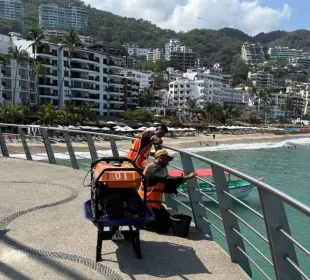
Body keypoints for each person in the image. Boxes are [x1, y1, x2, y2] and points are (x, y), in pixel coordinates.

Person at [138, 149, 195, 233]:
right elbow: (166, 178)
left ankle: (148, 220)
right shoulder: (153, 169)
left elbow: (167, 189)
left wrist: (181, 181)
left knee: (168, 221)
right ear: (161, 157)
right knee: (163, 228)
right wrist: (185, 177)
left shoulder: (158, 170)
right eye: (166, 159)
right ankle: (142, 223)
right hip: (147, 205)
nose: (168, 162)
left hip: (155, 205)